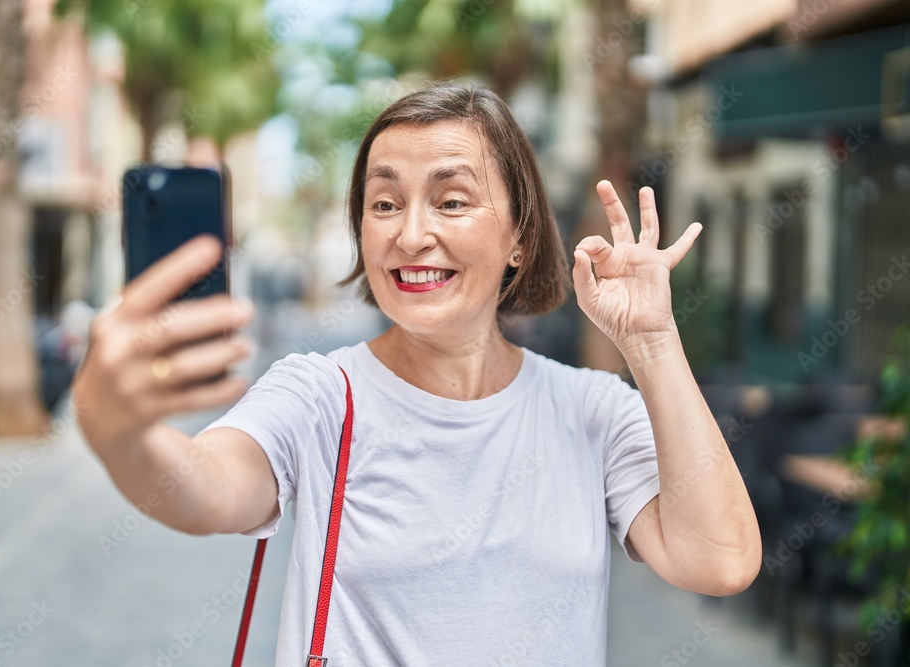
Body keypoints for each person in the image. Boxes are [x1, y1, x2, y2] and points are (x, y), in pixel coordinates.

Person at [73, 83, 761, 665]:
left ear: (521, 235)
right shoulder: (318, 396)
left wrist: (653, 340)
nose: (409, 234)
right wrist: (119, 432)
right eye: (384, 203)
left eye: (452, 200)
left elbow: (720, 561)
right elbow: (205, 489)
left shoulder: (592, 410)